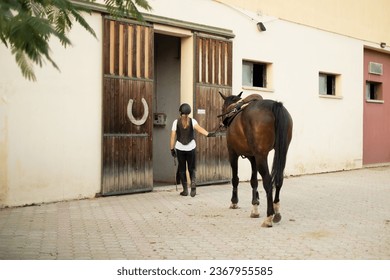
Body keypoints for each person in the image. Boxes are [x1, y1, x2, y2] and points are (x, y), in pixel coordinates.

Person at [170, 103, 215, 197]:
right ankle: (193, 184)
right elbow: (199, 129)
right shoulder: (192, 121)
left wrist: (171, 149)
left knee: (182, 169)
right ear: (189, 112)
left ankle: (185, 190)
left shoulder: (175, 122)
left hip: (180, 148)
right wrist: (208, 134)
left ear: (180, 112)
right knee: (192, 168)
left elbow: (173, 136)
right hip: (191, 148)